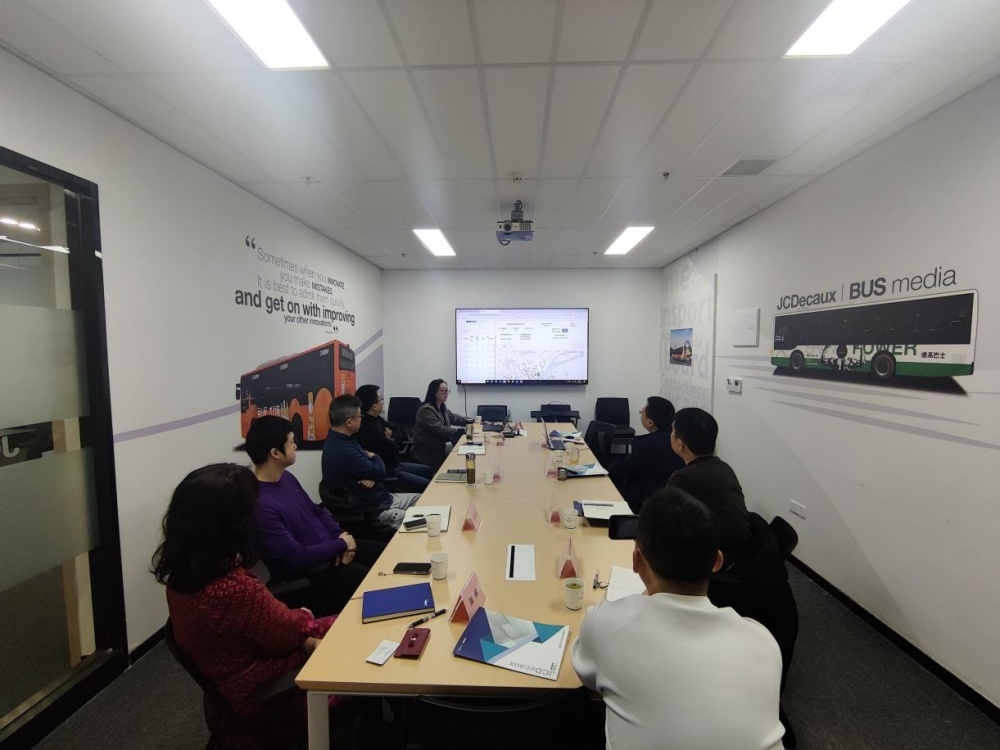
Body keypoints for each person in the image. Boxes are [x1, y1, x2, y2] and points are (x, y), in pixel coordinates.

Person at [571, 486, 784, 750]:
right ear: (717, 562)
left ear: (637, 561)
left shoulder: (604, 623)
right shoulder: (763, 641)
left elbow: (586, 677)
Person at [151, 463, 336, 748]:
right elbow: (288, 634)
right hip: (274, 693)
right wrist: (303, 619)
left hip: (240, 681)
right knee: (368, 644)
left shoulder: (185, 576)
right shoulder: (232, 589)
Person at [242, 416, 386, 616]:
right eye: (291, 442)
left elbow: (316, 511)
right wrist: (340, 545)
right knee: (380, 585)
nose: (296, 446)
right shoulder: (262, 505)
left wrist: (340, 537)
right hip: (314, 570)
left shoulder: (285, 477)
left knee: (387, 554)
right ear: (275, 453)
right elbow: (294, 558)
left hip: (331, 548)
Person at [667, 407, 753, 564]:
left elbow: (662, 520)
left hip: (715, 556)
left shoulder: (683, 478)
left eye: (672, 431)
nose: (670, 434)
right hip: (741, 550)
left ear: (680, 444)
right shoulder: (723, 466)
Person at [321, 394, 420, 528]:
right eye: (360, 417)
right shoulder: (342, 449)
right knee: (424, 520)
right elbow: (379, 472)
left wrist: (372, 474)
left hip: (383, 498)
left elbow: (374, 471)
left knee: (425, 500)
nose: (362, 420)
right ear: (349, 422)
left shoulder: (345, 439)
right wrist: (374, 457)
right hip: (375, 510)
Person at [608, 396, 685, 513]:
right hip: (673, 501)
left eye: (641, 412)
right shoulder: (679, 441)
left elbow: (620, 471)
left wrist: (609, 465)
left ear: (650, 422)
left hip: (646, 501)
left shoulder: (646, 445)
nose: (640, 414)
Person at [354, 384, 434, 492]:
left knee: (427, 470)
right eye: (381, 399)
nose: (383, 401)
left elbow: (400, 431)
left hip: (394, 464)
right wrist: (390, 440)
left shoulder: (377, 419)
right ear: (374, 406)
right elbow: (393, 450)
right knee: (427, 486)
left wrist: (390, 439)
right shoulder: (367, 427)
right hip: (386, 470)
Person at [410, 378, 470, 470]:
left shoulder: (441, 406)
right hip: (429, 450)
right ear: (434, 392)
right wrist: (462, 430)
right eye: (442, 391)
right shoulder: (426, 410)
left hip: (440, 445)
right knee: (461, 450)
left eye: (447, 390)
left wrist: (470, 421)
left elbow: (454, 418)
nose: (446, 393)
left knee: (464, 448)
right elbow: (440, 429)